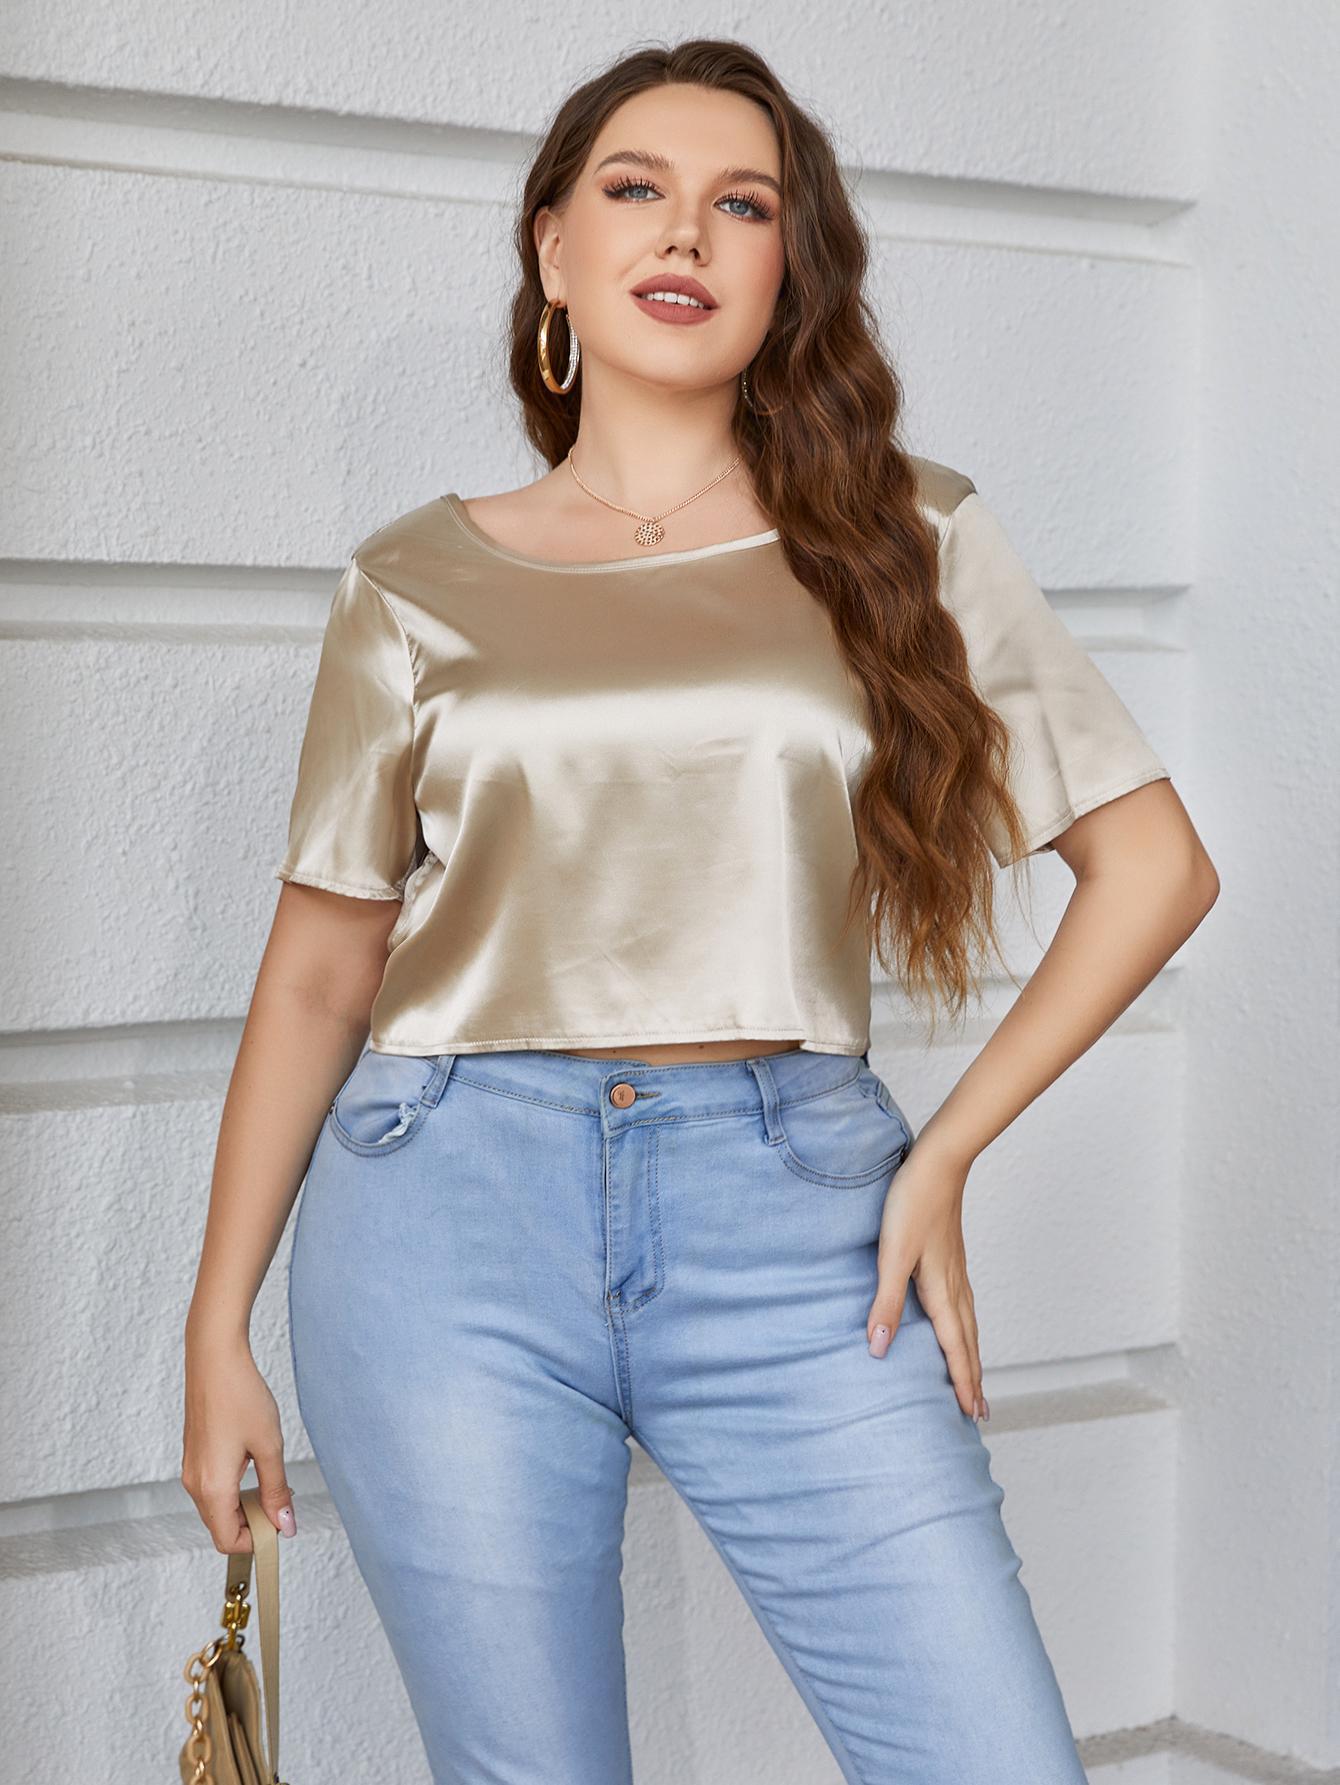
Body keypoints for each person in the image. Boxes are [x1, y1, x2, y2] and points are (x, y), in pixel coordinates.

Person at [181, 38, 1218, 1785]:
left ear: (789, 267)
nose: (685, 231)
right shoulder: (414, 582)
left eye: (744, 203)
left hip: (799, 1207)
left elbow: (1157, 866)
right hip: (444, 1212)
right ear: (554, 249)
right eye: (634, 189)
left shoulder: (908, 537)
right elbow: (320, 974)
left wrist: (945, 1153)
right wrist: (217, 1328)